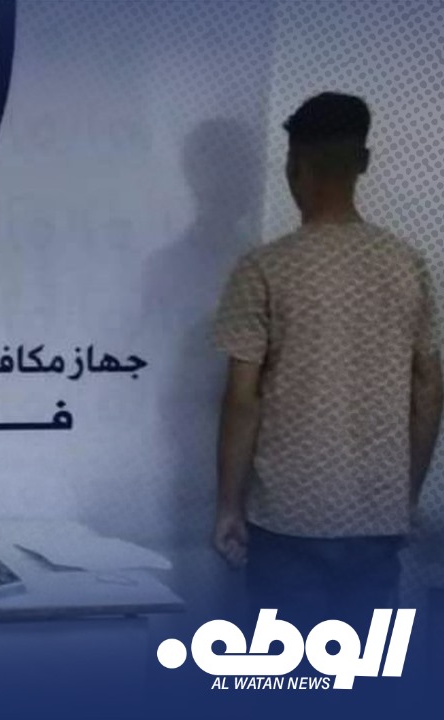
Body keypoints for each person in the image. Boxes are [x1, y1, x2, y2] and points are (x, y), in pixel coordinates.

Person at [213, 92, 443, 630]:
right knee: (363, 667)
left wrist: (228, 505)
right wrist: (403, 495)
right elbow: (430, 388)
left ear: (294, 167)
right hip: (375, 518)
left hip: (286, 518)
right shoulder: (407, 265)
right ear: (364, 163)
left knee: (287, 668)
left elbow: (243, 400)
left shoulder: (265, 268)